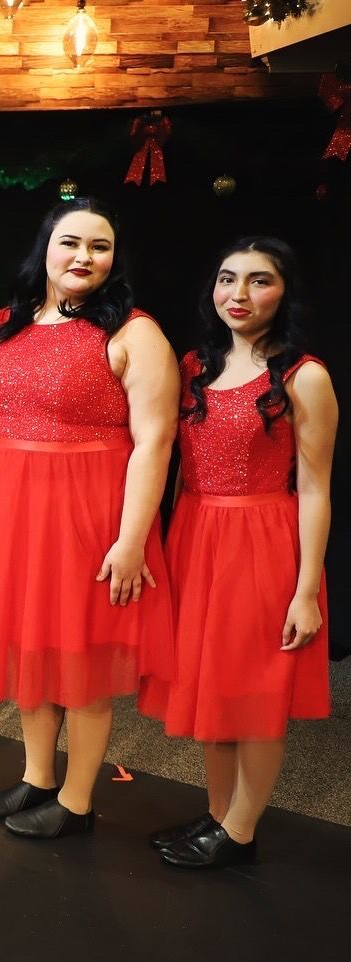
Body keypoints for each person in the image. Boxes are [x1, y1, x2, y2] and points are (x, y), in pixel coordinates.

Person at [0, 197, 178, 839]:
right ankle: (37, 778)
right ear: (45, 250)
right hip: (13, 512)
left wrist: (131, 539)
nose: (84, 257)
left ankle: (78, 802)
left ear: (115, 259)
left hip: (87, 515)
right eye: (70, 243)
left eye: (100, 247)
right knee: (33, 648)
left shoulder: (134, 332)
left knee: (82, 661)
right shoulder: (7, 322)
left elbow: (155, 444)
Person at [139, 237, 336, 868]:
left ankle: (242, 832)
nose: (240, 295)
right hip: (197, 536)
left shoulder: (305, 376)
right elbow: (170, 464)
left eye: (259, 281)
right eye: (229, 280)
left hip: (261, 544)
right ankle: (220, 816)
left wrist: (306, 590)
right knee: (212, 687)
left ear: (285, 292)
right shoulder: (195, 364)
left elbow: (314, 489)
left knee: (254, 693)